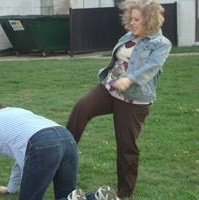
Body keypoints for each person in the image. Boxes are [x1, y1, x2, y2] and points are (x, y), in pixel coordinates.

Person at [66, 0, 172, 199]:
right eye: (130, 18)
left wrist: (129, 80)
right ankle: (62, 155)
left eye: (136, 19)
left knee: (126, 147)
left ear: (149, 20)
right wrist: (116, 79)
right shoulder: (129, 36)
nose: (132, 22)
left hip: (134, 99)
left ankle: (124, 192)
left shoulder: (161, 44)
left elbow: (151, 67)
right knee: (81, 107)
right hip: (109, 88)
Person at [0, 101, 118, 200]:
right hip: (67, 138)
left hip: (42, 144)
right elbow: (23, 160)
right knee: (66, 197)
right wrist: (11, 188)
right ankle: (97, 197)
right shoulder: (20, 113)